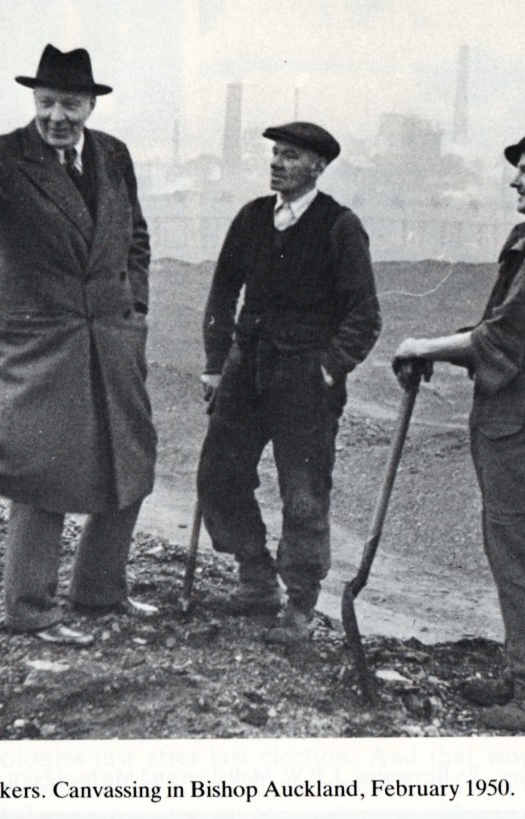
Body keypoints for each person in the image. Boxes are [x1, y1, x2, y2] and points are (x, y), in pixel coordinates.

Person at [0, 45, 156, 647]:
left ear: (90, 105)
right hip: (41, 344)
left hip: (112, 337)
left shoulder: (114, 154)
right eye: (46, 102)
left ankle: (100, 591)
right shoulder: (4, 154)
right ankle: (29, 608)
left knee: (131, 459)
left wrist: (136, 307)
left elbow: (135, 236)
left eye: (69, 104)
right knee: (42, 468)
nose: (55, 117)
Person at [393, 133, 525, 730]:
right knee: (511, 542)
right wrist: (440, 348)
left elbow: (500, 336)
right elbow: (496, 329)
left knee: (523, 545)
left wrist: (423, 345)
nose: (514, 180)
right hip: (513, 403)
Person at [196, 122, 381, 644]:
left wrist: (328, 368)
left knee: (303, 493)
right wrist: (215, 363)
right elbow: (222, 292)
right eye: (275, 153)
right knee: (219, 475)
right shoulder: (253, 217)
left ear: (318, 167)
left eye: (291, 156)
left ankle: (300, 606)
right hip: (244, 370)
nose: (277, 163)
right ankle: (255, 579)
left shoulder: (340, 226)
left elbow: (365, 315)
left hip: (304, 379)